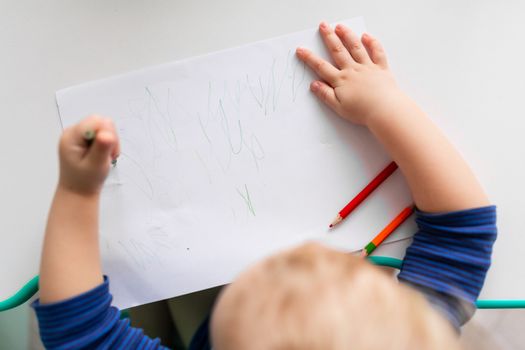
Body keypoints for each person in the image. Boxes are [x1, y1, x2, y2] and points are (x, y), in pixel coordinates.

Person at [33, 22, 496, 349]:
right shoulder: (407, 339)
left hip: (191, 305)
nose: (280, 250)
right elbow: (464, 227)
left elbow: (82, 331)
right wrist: (385, 105)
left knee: (160, 299)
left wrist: (77, 192)